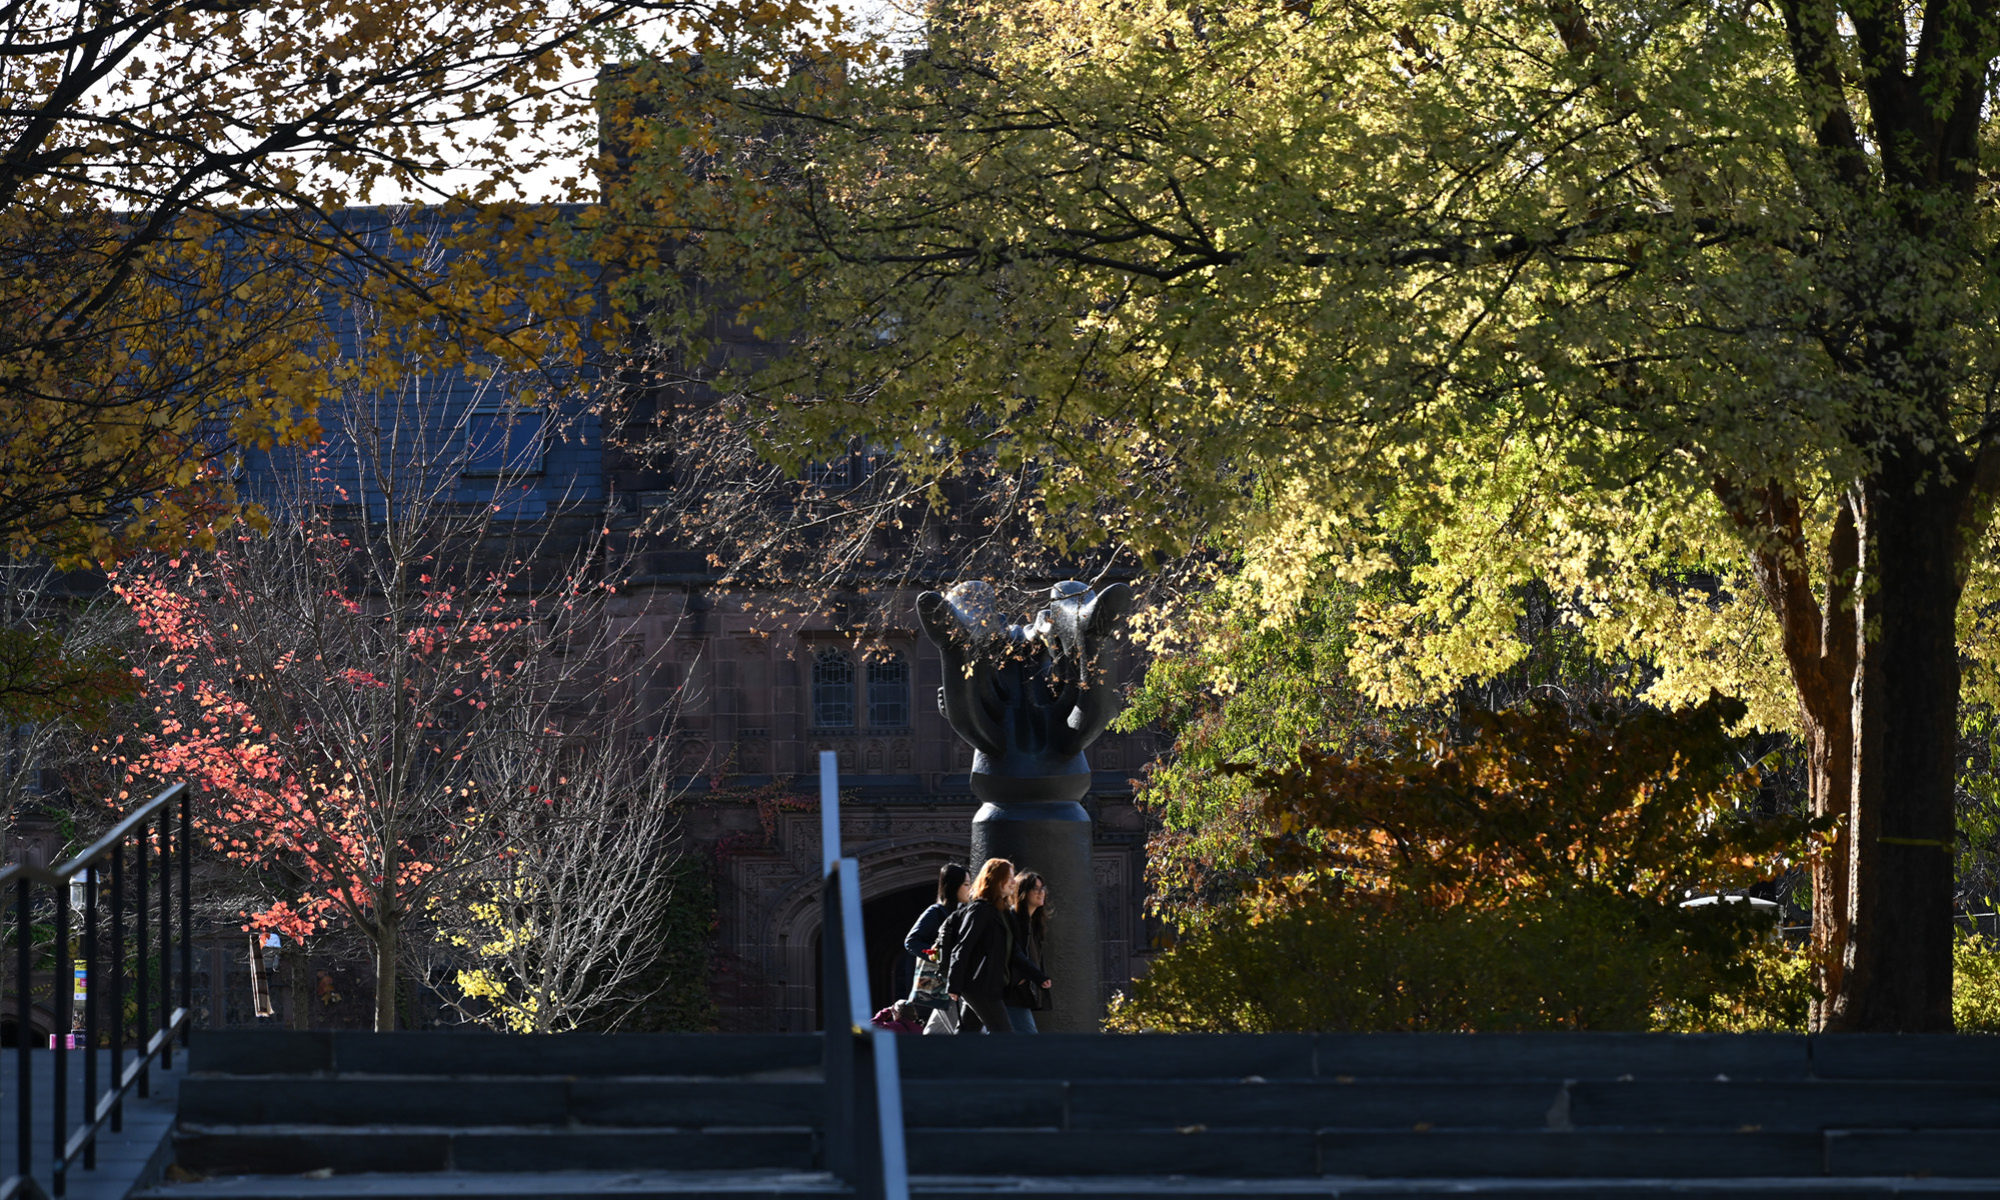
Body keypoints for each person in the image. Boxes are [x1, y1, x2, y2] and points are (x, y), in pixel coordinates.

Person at [943, 857, 1017, 1034]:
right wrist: (954, 984)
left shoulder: (998, 911)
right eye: (1010, 877)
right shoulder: (980, 910)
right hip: (980, 985)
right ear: (996, 880)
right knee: (1004, 1034)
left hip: (984, 983)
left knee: (967, 1034)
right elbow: (963, 946)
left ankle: (946, 1061)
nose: (1014, 882)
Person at [903, 863, 969, 1017]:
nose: (970, 889)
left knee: (940, 1029)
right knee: (961, 1028)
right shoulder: (936, 912)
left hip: (957, 983)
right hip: (939, 986)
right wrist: (936, 955)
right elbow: (911, 941)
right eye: (966, 884)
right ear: (953, 886)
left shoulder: (965, 913)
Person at [1003, 870, 1053, 1033]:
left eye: (1042, 888)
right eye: (1036, 888)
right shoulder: (1012, 919)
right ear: (1023, 892)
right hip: (1012, 990)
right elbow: (1011, 953)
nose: (1041, 892)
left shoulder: (1034, 923)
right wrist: (1022, 978)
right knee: (1029, 1036)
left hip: (1022, 990)